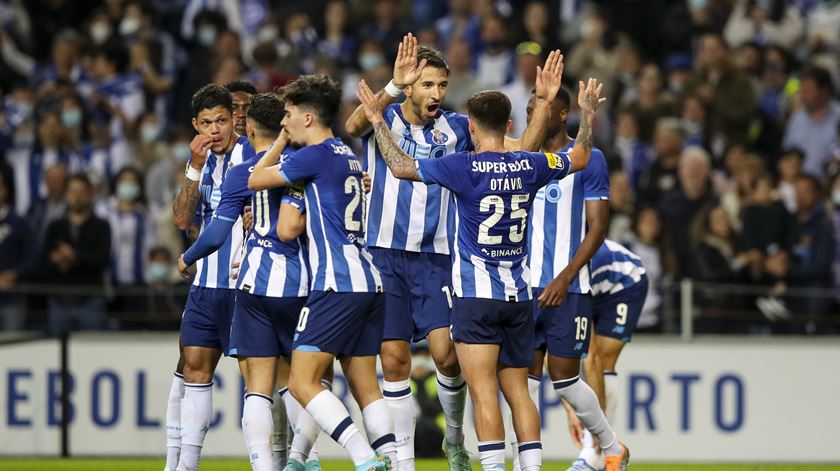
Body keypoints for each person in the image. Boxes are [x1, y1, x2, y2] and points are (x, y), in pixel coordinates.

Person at [358, 74, 626, 470]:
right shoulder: (531, 163)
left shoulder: (461, 166)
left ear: (470, 126)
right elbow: (580, 157)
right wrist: (586, 116)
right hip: (519, 295)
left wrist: (378, 120)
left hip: (475, 295)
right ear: (509, 125)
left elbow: (399, 167)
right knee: (519, 391)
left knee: (484, 393)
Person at [344, 34, 560, 471]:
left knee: (447, 355)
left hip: (439, 258)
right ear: (409, 86)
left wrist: (541, 112)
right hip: (385, 252)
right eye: (427, 85)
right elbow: (351, 128)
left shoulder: (460, 128)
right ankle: (404, 463)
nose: (436, 94)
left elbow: (515, 153)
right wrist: (389, 87)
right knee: (395, 358)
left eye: (442, 85)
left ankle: (455, 438)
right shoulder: (380, 115)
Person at [248, 74, 395, 471]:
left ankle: (365, 460)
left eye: (290, 113)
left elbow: (255, 179)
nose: (285, 120)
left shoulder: (310, 156)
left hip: (336, 283)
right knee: (366, 387)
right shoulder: (346, 153)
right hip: (369, 280)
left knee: (302, 381)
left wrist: (278, 144)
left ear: (309, 117)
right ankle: (392, 462)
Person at [522, 85, 611, 471]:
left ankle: (610, 446)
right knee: (519, 384)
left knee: (564, 381)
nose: (533, 116)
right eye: (529, 109)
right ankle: (528, 465)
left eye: (541, 108)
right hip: (521, 289)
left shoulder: (589, 159)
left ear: (561, 115)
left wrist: (564, 277)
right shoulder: (519, 156)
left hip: (568, 289)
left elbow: (597, 228)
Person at [167, 84, 254, 471]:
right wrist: (194, 169)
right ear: (195, 125)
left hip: (246, 286)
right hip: (205, 286)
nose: (215, 129)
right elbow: (182, 219)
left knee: (263, 381)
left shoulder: (252, 154)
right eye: (207, 123)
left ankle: (289, 459)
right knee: (195, 370)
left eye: (222, 120)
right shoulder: (198, 163)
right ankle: (186, 466)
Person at [564, 240, 648, 469]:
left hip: (624, 282)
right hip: (587, 285)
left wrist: (595, 426)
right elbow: (548, 357)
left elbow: (592, 358)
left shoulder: (567, 277)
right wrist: (571, 410)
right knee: (563, 357)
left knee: (602, 362)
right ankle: (599, 456)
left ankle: (593, 454)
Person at [38, 174, 111, 335]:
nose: (76, 197)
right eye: (72, 191)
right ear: (66, 194)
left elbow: (102, 259)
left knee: (93, 351)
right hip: (58, 300)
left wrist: (74, 257)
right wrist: (57, 261)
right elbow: (43, 261)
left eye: (81, 192)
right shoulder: (55, 226)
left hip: (90, 300)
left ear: (90, 194)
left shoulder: (101, 226)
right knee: (56, 353)